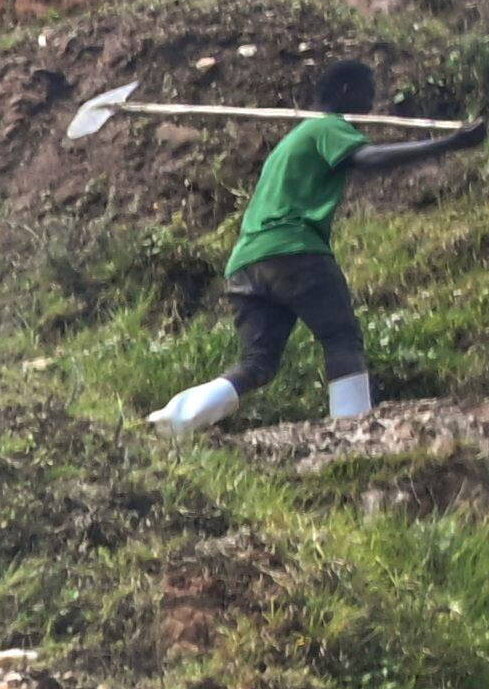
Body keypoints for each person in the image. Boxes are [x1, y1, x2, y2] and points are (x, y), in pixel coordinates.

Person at [149, 58, 471, 436]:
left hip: (247, 261)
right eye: (369, 90)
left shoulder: (291, 142)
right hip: (294, 251)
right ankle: (352, 432)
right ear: (347, 92)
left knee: (258, 364)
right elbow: (368, 159)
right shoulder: (329, 127)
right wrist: (449, 144)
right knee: (341, 338)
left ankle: (175, 418)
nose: (373, 98)